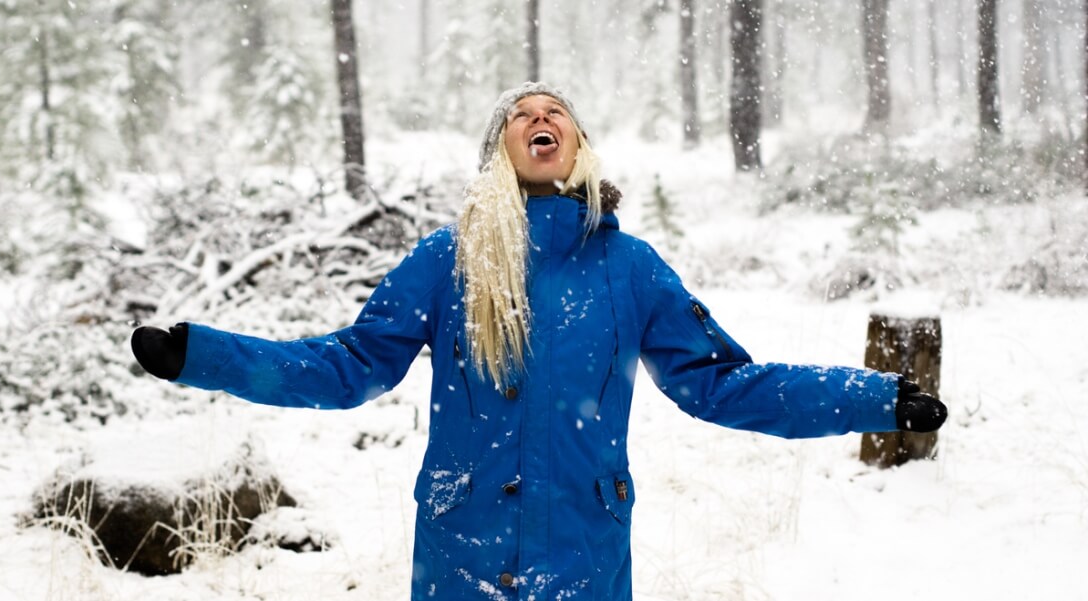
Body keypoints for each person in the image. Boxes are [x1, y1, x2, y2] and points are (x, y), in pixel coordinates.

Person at [131, 82, 947, 601]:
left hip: (583, 557)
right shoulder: (446, 258)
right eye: (520, 115)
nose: (538, 117)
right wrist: (203, 355)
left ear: (577, 144)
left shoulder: (629, 267)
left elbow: (725, 384)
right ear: (499, 154)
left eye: (555, 110)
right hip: (459, 554)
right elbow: (348, 366)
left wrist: (875, 396)